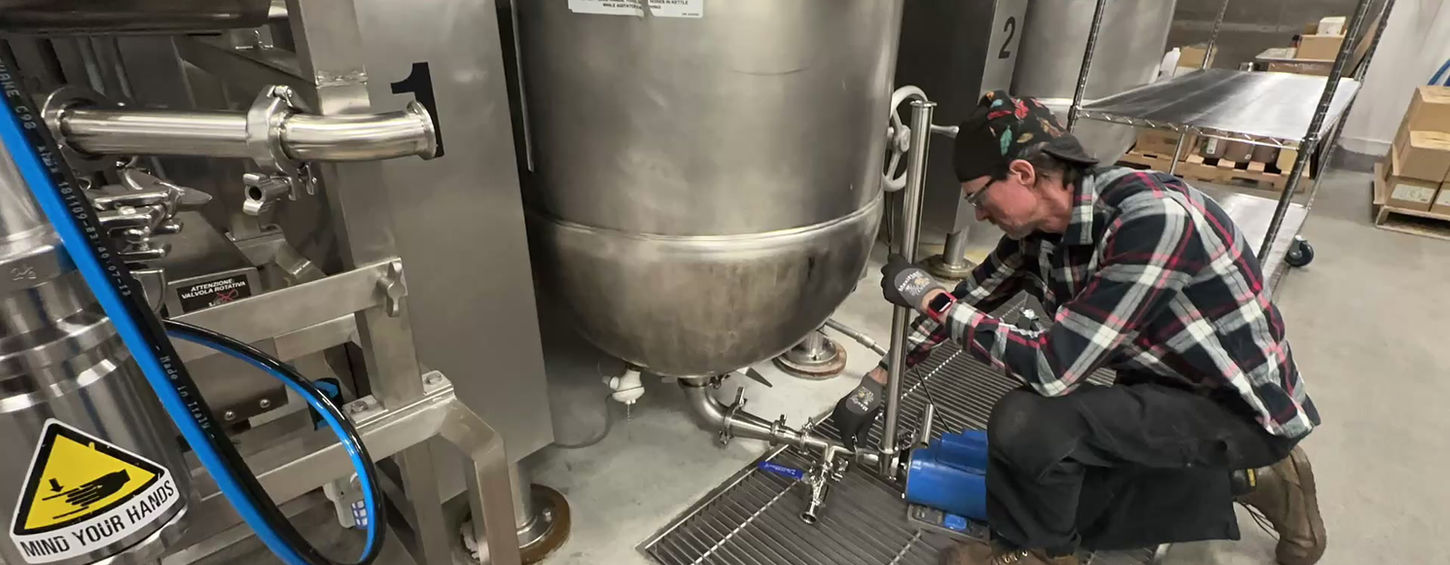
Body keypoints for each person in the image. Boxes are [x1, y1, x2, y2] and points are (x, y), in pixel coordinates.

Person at [831, 91, 1324, 565]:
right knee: (1063, 495)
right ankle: (1248, 481)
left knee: (1030, 425)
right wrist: (880, 379)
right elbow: (971, 299)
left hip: (1235, 410)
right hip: (1162, 389)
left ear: (1023, 173)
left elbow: (1052, 369)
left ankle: (1047, 553)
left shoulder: (1153, 222)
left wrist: (927, 295)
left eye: (979, 197)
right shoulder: (1041, 233)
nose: (979, 213)